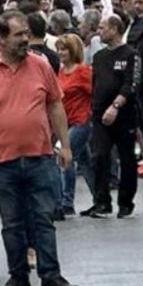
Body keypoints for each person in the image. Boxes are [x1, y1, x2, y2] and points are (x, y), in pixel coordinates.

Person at [0, 12, 78, 286]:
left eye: (27, 33)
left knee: (43, 219)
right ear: (0, 38)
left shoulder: (41, 66)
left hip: (40, 156)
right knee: (12, 222)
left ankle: (50, 275)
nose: (26, 39)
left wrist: (65, 145)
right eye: (18, 34)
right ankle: (19, 276)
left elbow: (55, 106)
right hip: (1, 161)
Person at [84, 13, 142, 217]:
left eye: (102, 28)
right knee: (100, 155)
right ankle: (101, 201)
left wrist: (116, 105)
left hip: (123, 113)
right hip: (100, 114)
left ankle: (126, 201)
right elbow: (95, 84)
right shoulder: (99, 57)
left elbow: (131, 83)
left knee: (126, 158)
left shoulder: (130, 54)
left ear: (115, 29)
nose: (99, 32)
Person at [55, 34, 93, 217]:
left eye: (64, 49)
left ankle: (66, 201)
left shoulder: (83, 72)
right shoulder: (61, 72)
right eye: (59, 49)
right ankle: (100, 198)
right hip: (66, 121)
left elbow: (95, 93)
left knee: (65, 157)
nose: (61, 52)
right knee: (86, 162)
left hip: (81, 120)